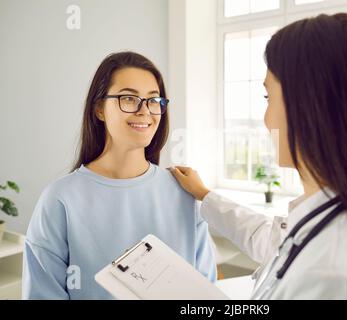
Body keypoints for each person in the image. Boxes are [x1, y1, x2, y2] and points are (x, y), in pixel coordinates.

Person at [170, 13, 347, 299]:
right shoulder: (337, 215)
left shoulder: (335, 274)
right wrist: (204, 194)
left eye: (268, 97)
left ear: (308, 105)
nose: (265, 118)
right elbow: (270, 239)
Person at [22, 52, 217, 299]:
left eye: (153, 100)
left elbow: (204, 294)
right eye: (129, 98)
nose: (144, 110)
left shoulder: (184, 194)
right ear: (99, 109)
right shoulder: (60, 199)